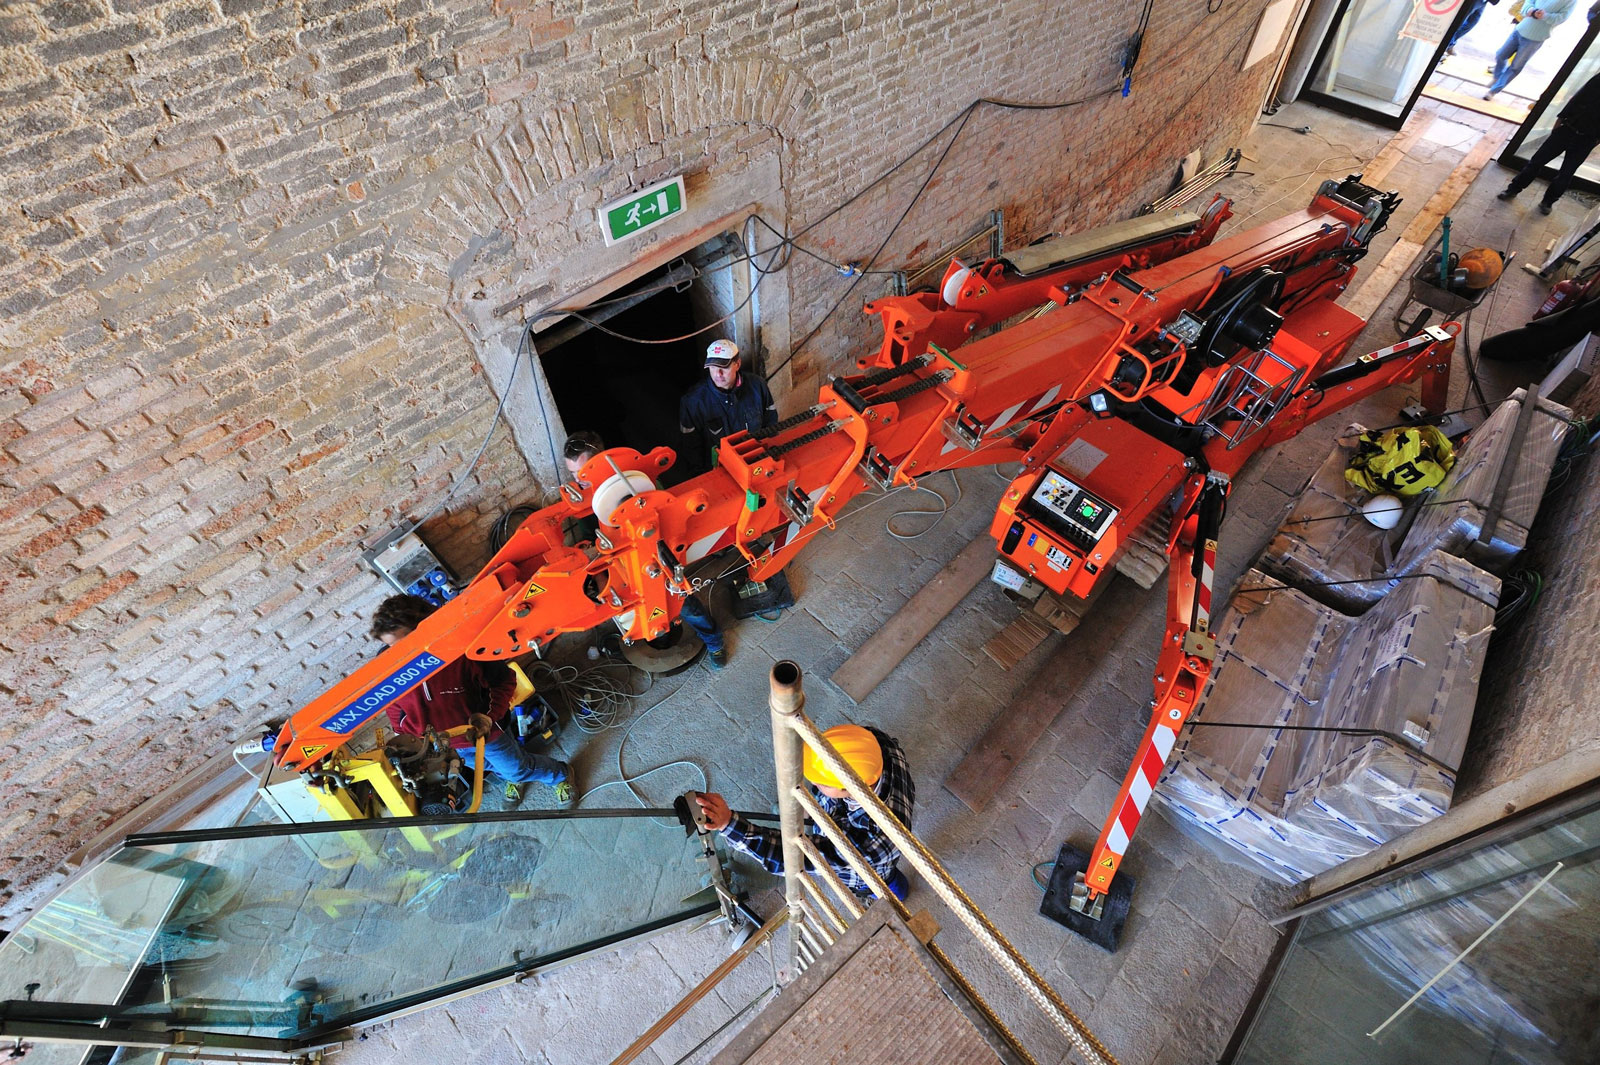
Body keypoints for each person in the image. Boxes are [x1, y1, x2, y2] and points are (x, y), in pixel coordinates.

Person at [369, 594, 575, 804]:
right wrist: (405, 736)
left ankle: (559, 774)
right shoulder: (389, 666)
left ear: (425, 625)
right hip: (448, 745)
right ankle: (511, 776)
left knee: (517, 769)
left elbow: (503, 681)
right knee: (485, 766)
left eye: (403, 642)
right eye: (391, 647)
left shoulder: (464, 649)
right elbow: (393, 706)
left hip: (487, 732)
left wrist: (489, 718)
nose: (399, 653)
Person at [561, 430, 731, 669]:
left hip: (655, 559)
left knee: (683, 604)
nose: (579, 481)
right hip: (622, 567)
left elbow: (664, 512)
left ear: (600, 461)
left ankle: (714, 642)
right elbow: (591, 538)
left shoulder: (637, 483)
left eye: (583, 473)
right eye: (573, 474)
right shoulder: (584, 498)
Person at [695, 724, 915, 900]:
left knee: (882, 885)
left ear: (851, 789)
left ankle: (893, 894)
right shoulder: (876, 743)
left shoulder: (874, 842)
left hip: (870, 871)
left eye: (821, 783)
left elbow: (793, 857)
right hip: (845, 818)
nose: (814, 783)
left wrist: (729, 824)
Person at [1499, 71, 1600, 213]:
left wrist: (1596, 140)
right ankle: (1513, 189)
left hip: (1587, 139)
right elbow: (1579, 97)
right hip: (1569, 128)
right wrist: (1560, 119)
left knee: (1566, 173)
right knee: (1537, 162)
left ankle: (1548, 202)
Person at [678, 339, 778, 476]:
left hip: (756, 464)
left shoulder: (758, 386)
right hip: (719, 472)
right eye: (713, 367)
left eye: (724, 367)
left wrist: (770, 455)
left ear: (738, 364)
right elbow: (691, 448)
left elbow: (771, 423)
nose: (717, 374)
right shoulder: (693, 402)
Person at [1485, 0, 1575, 99]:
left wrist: (1545, 16)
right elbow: (1528, 2)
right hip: (1521, 29)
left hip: (1535, 38)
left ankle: (1493, 91)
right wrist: (1532, 11)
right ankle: (1497, 77)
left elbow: (1562, 17)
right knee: (1501, 55)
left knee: (1515, 67)